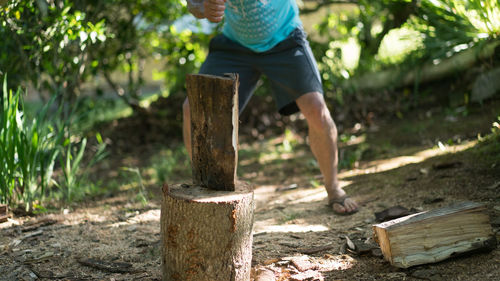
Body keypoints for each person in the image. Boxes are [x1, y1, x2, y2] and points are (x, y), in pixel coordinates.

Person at [184, 0, 359, 215]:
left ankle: (333, 189)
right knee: (194, 108)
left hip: (285, 38)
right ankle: (206, 189)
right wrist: (203, 8)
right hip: (234, 44)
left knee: (317, 110)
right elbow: (194, 3)